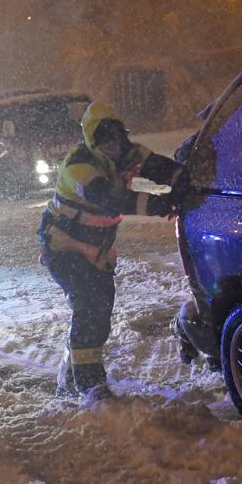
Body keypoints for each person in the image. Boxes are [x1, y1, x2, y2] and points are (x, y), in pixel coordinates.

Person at [39, 102, 188, 401]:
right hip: (62, 249)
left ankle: (72, 372)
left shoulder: (127, 152)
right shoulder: (78, 164)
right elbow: (108, 198)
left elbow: (159, 168)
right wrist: (159, 204)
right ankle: (90, 384)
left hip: (98, 252)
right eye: (104, 137)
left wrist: (186, 181)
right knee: (90, 305)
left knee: (99, 311)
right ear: (92, 140)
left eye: (116, 135)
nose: (112, 144)